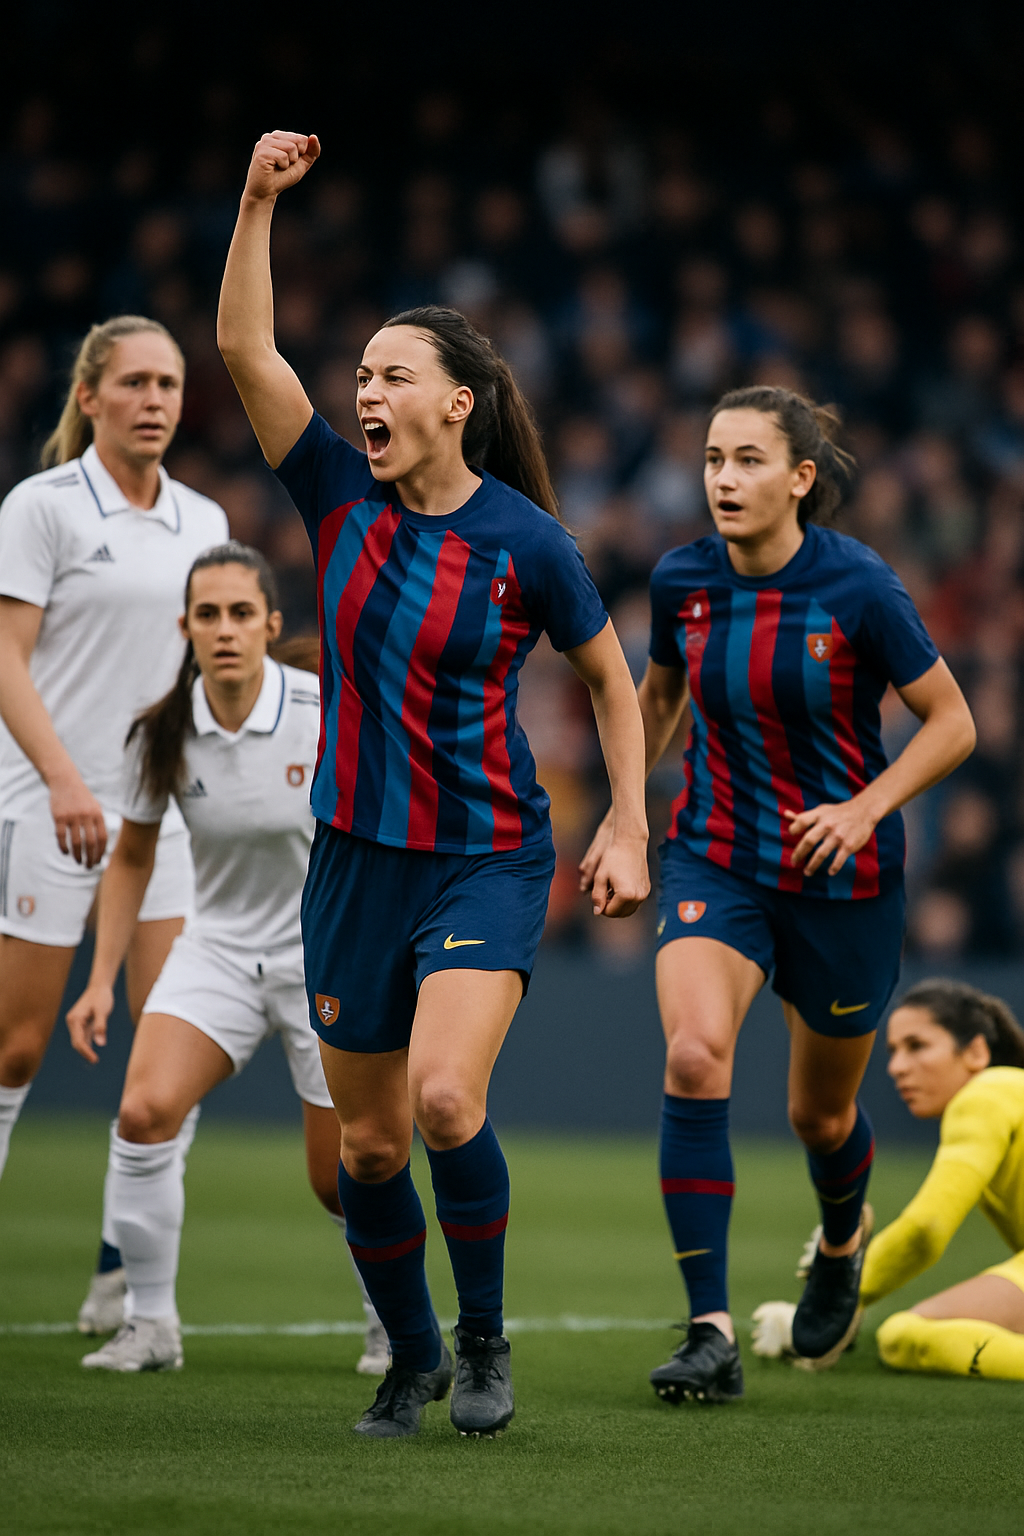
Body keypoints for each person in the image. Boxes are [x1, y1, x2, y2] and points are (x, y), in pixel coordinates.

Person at [217, 130, 649, 1438]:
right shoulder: (337, 496)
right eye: (359, 374)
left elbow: (612, 683)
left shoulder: (530, 542)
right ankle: (408, 1359)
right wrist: (253, 203)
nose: (365, 390)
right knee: (368, 1149)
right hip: (353, 858)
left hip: (487, 855)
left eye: (393, 373)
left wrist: (629, 821)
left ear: (458, 399)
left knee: (447, 1100)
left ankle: (482, 1345)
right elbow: (246, 352)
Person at [581, 385, 976, 1404]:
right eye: (714, 458)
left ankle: (842, 1236)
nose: (723, 478)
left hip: (843, 880)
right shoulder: (682, 582)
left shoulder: (860, 588)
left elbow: (949, 722)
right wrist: (627, 818)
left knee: (818, 1116)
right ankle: (706, 1329)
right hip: (716, 856)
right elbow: (658, 697)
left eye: (749, 460)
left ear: (800, 479)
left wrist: (863, 808)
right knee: (693, 1053)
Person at [66, 543, 386, 1375]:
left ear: (271, 626)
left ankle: (393, 1323)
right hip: (217, 951)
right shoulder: (161, 730)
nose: (225, 630)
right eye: (207, 615)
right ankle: (150, 1326)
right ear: (186, 628)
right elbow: (132, 857)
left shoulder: (326, 708)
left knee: (343, 1174)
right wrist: (101, 979)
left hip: (326, 958)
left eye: (242, 613)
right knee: (142, 1116)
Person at [0, 316, 228, 1330]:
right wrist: (60, 780)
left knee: (161, 1063)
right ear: (89, 397)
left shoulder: (205, 520)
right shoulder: (41, 507)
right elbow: (6, 656)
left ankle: (120, 1279)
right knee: (13, 1050)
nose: (154, 400)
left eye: (169, 384)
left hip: (163, 823)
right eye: (134, 382)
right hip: (47, 803)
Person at [751, 979, 1024, 1383]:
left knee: (902, 1336)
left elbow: (926, 1229)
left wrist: (832, 1300)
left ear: (976, 1052)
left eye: (917, 1046)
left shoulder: (983, 1096)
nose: (896, 1066)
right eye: (894, 1052)